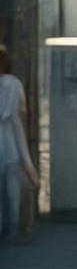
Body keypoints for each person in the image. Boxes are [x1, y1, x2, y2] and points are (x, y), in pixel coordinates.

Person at [0, 44, 40, 240]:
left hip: (8, 143)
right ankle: (13, 226)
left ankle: (8, 226)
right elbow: (18, 113)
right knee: (11, 189)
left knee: (7, 189)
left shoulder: (10, 84)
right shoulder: (14, 84)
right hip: (11, 145)